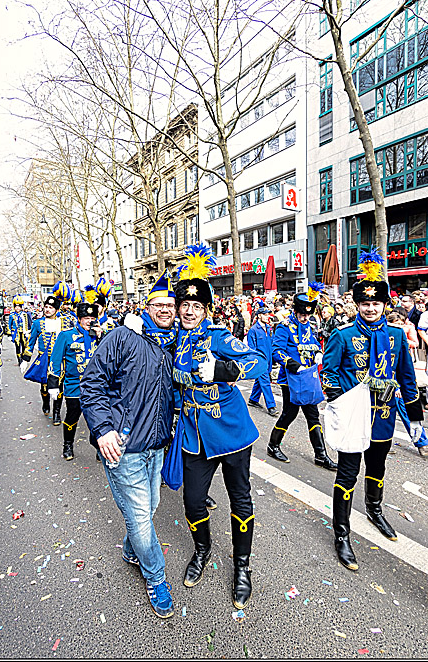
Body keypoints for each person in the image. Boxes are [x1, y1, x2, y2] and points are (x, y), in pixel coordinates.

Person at [166, 244, 268, 610]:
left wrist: (226, 370)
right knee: (193, 501)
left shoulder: (221, 337)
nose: (189, 311)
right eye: (184, 305)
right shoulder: (177, 340)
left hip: (231, 432)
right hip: (194, 436)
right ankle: (203, 550)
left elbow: (259, 360)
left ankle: (242, 566)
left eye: (196, 306)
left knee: (240, 498)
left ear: (206, 310)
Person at [80, 271, 178, 618]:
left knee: (148, 509)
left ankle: (131, 550)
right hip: (122, 446)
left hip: (156, 445)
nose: (165, 310)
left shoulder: (176, 342)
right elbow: (91, 382)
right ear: (146, 306)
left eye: (170, 304)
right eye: (158, 304)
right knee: (140, 517)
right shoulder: (122, 336)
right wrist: (104, 430)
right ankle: (157, 579)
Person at [323, 250, 421, 569]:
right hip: (354, 417)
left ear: (383, 305)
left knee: (377, 468)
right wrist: (343, 396)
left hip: (383, 417)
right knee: (348, 473)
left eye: (375, 303)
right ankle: (342, 533)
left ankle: (375, 511)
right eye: (364, 303)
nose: (369, 308)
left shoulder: (395, 336)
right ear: (357, 305)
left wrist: (416, 418)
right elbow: (328, 371)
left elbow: (406, 375)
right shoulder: (343, 335)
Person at [265, 282, 337, 471]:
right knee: (289, 414)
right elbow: (276, 350)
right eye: (302, 314)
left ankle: (321, 455)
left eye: (308, 314)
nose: (305, 317)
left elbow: (312, 344)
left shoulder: (309, 326)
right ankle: (273, 445)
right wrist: (292, 364)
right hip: (290, 378)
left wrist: (318, 354)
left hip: (308, 377)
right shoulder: (284, 327)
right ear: (296, 311)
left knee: (313, 416)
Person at [48, 297, 104, 461]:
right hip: (74, 386)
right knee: (72, 417)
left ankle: (98, 447)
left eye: (93, 319)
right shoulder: (66, 336)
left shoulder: (100, 335)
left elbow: (109, 357)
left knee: (97, 418)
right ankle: (67, 444)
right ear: (79, 319)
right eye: (86, 319)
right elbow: (55, 360)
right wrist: (53, 384)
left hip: (96, 387)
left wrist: (101, 337)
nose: (89, 322)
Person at [23, 286, 75, 422]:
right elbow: (31, 341)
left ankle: (57, 413)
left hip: (61, 361)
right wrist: (25, 358)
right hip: (45, 360)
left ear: (57, 310)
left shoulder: (66, 321)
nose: (47, 309)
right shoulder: (37, 323)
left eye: (51, 308)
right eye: (46, 307)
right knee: (45, 387)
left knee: (59, 386)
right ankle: (46, 402)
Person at [245, 300, 278, 415]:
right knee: (265, 382)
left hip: (268, 360)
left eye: (268, 314)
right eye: (265, 314)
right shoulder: (253, 330)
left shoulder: (269, 328)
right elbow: (252, 348)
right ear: (259, 316)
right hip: (260, 361)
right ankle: (271, 405)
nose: (267, 316)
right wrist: (257, 361)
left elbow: (273, 343)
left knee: (260, 381)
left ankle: (253, 400)